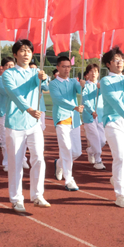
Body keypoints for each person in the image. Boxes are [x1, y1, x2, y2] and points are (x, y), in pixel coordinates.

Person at [2, 39, 50, 212]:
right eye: (22, 51)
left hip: (33, 124)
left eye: (29, 51)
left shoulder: (36, 72)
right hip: (16, 124)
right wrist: (28, 109)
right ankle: (16, 199)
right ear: (15, 54)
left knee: (39, 158)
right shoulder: (8, 74)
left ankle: (37, 195)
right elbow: (14, 94)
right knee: (16, 163)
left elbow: (45, 87)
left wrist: (44, 78)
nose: (26, 54)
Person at [99, 47, 124, 208]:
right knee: (120, 157)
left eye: (121, 60)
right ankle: (121, 195)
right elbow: (113, 100)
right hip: (113, 122)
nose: (119, 63)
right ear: (108, 64)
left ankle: (117, 178)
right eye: (116, 60)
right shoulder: (105, 81)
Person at [49, 56, 84, 192]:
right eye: (63, 66)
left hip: (74, 120)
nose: (66, 69)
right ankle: (69, 179)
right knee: (67, 150)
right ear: (58, 67)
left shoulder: (73, 82)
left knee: (77, 152)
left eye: (68, 66)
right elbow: (58, 99)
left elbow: (81, 91)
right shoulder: (53, 84)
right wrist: (73, 106)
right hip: (62, 119)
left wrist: (83, 85)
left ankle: (59, 163)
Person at [81, 63, 106, 170]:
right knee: (95, 138)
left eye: (95, 71)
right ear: (87, 74)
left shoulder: (101, 85)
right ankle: (98, 160)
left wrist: (100, 89)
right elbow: (85, 100)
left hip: (100, 116)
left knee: (102, 141)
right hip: (89, 116)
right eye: (91, 71)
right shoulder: (85, 86)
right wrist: (91, 111)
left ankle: (90, 150)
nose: (94, 73)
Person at [0, 57, 15, 171]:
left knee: (15, 137)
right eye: (8, 65)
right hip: (3, 110)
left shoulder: (17, 78)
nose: (10, 67)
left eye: (12, 65)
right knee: (4, 137)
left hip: (15, 111)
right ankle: (6, 162)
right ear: (3, 67)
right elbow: (6, 92)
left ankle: (19, 159)